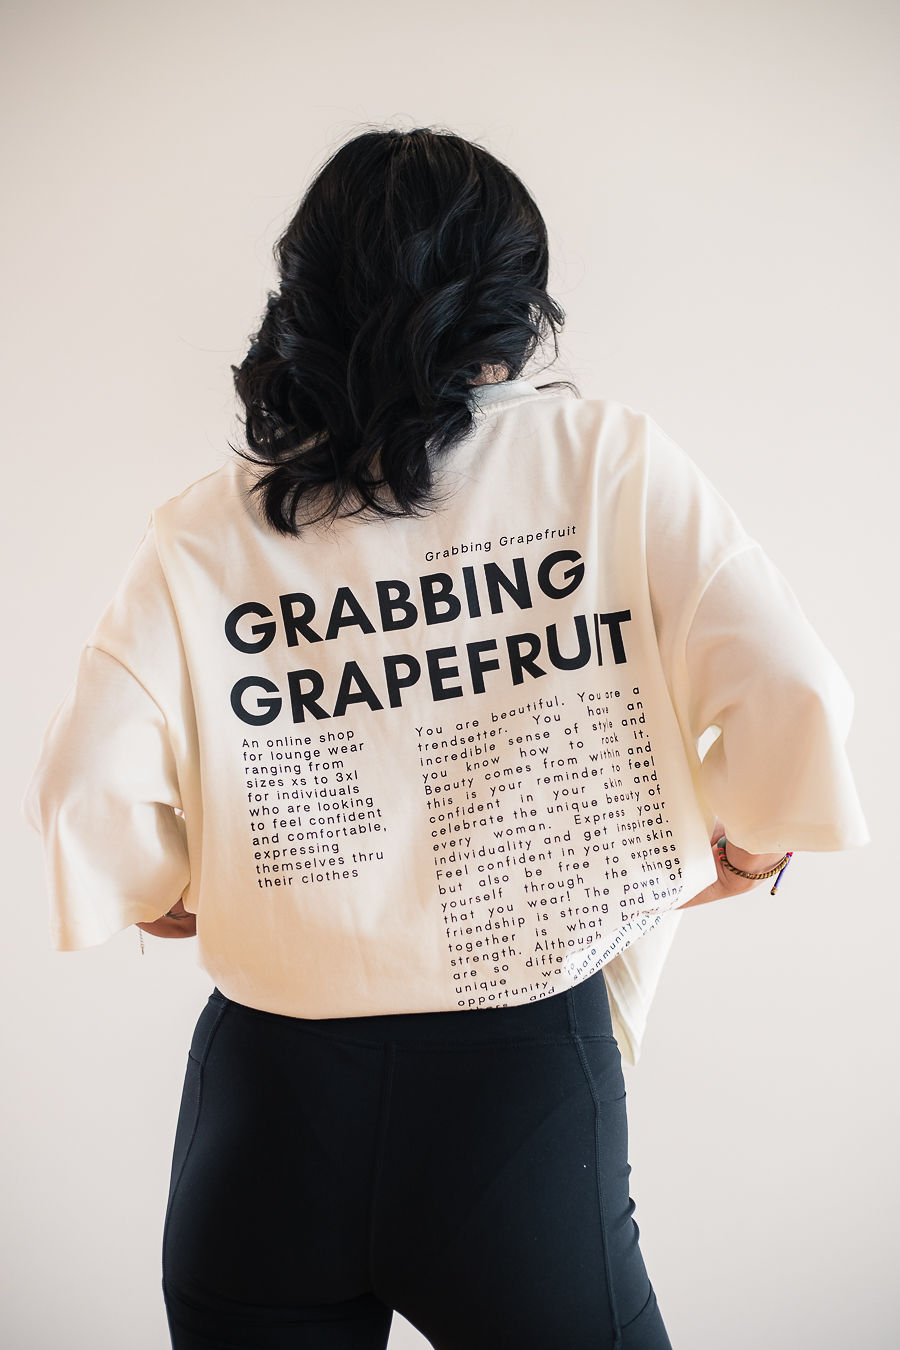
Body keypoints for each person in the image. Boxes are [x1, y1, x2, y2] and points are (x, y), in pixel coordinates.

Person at [23, 126, 869, 1350]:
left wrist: (187, 894)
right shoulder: (607, 463)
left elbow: (85, 792)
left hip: (267, 1114)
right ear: (518, 299)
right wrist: (744, 852)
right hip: (517, 1106)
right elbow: (793, 690)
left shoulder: (211, 527)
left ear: (306, 295)